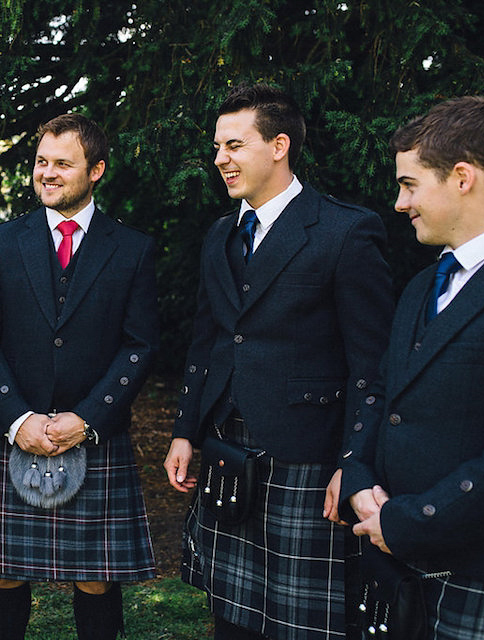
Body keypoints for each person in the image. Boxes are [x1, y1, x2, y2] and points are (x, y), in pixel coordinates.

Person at [163, 83, 394, 640]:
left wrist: (355, 461)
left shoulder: (345, 230)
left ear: (279, 145)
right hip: (227, 446)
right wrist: (185, 430)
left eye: (234, 146)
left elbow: (373, 363)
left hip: (308, 458)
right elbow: (207, 341)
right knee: (231, 613)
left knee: (303, 624)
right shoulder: (221, 233)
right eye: (217, 147)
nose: (220, 159)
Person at [0, 113, 158, 640]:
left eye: (62, 164)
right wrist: (16, 418)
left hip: (95, 436)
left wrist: (89, 418)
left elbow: (139, 347)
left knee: (95, 577)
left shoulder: (132, 249)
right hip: (14, 428)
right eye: (41, 162)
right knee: (3, 571)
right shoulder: (4, 242)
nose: (47, 173)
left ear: (95, 170)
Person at [340, 95, 484, 639]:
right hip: (395, 563)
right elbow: (382, 391)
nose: (400, 203)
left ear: (462, 177)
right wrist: (356, 476)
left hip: (475, 569)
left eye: (409, 184)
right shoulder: (423, 284)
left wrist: (411, 520)